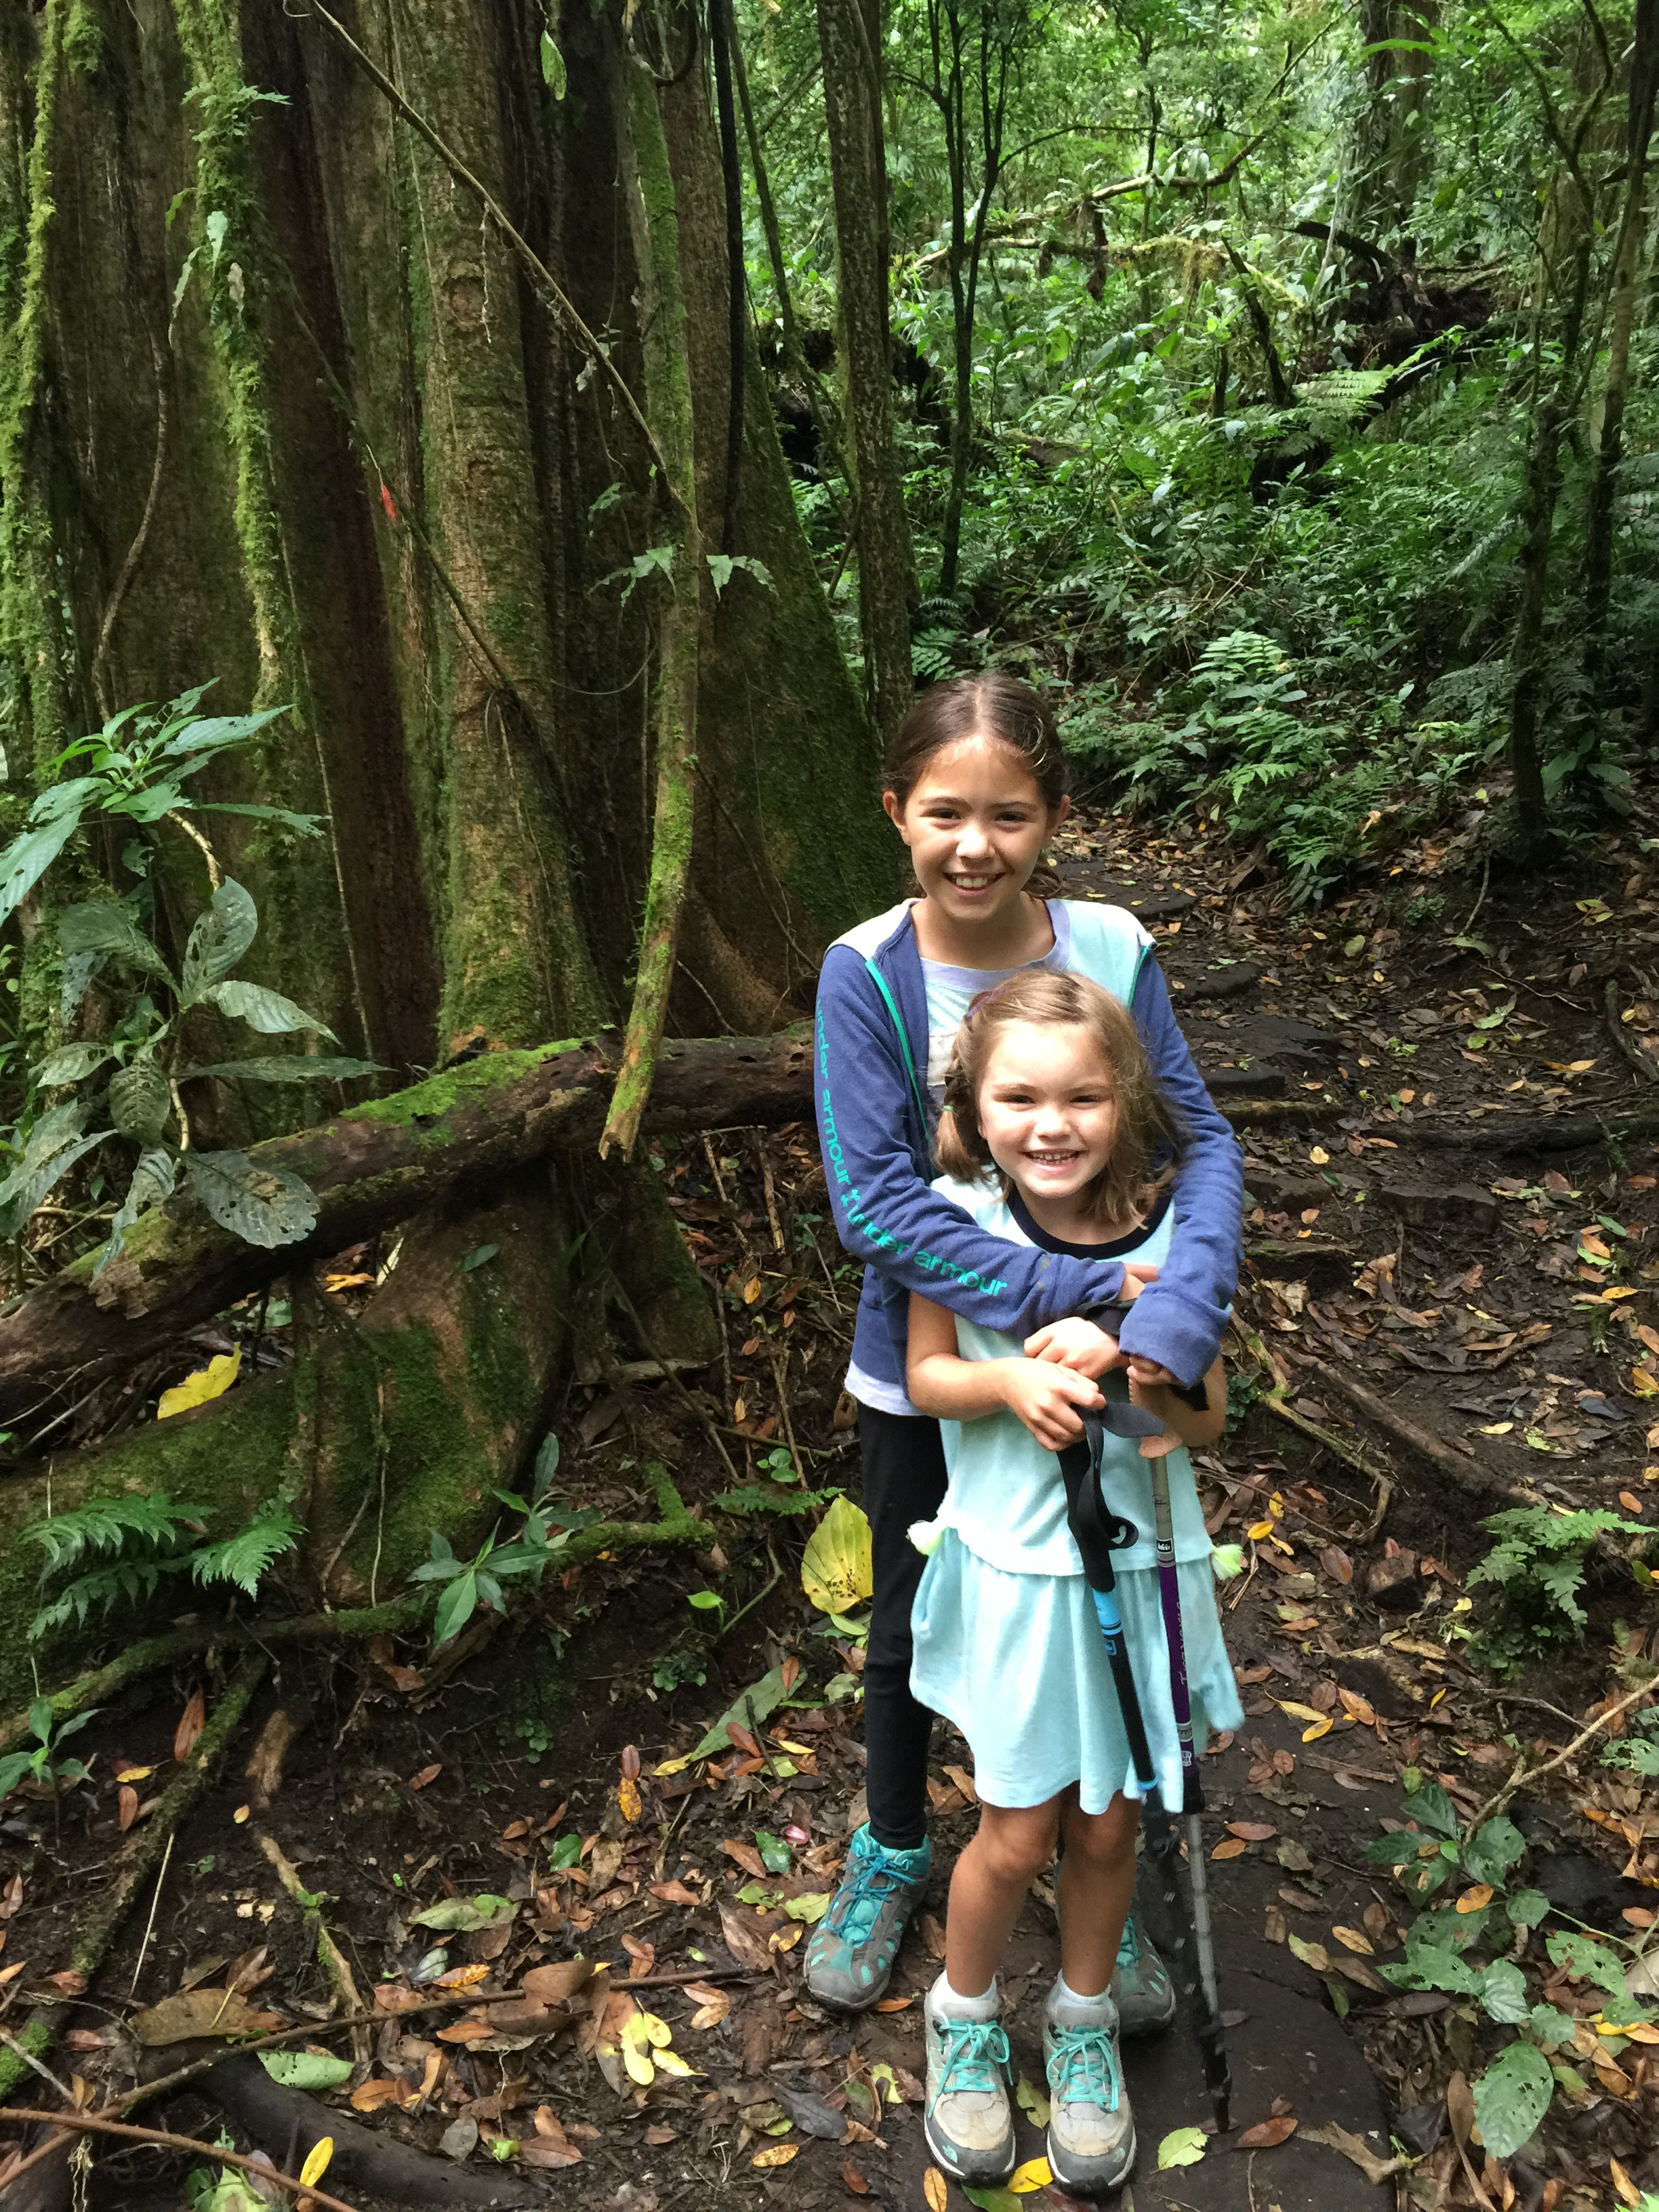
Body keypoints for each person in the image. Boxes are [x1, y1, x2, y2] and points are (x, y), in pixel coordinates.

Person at [807, 673, 1242, 2027]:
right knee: (909, 1616)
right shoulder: (868, 968)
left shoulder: (1110, 946)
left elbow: (1205, 1141)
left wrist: (1166, 1317)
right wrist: (1081, 1286)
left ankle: (1102, 1867)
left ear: (1052, 817)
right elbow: (873, 1201)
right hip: (927, 1368)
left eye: (1009, 814)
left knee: (1109, 1590)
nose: (975, 843)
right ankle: (893, 1845)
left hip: (1115, 1370)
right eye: (946, 813)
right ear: (897, 814)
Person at [905, 970, 1239, 2192]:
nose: (1054, 1124)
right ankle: (967, 2013)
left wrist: (1141, 1348)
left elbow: (1200, 1427)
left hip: (1146, 1563)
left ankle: (1086, 2024)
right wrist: (1011, 1384)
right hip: (1023, 1574)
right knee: (1016, 1824)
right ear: (979, 1108)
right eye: (1022, 1098)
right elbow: (930, 1376)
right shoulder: (949, 1219)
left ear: (1127, 1100)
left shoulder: (1171, 1237)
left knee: (1111, 1821)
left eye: (1084, 1096)